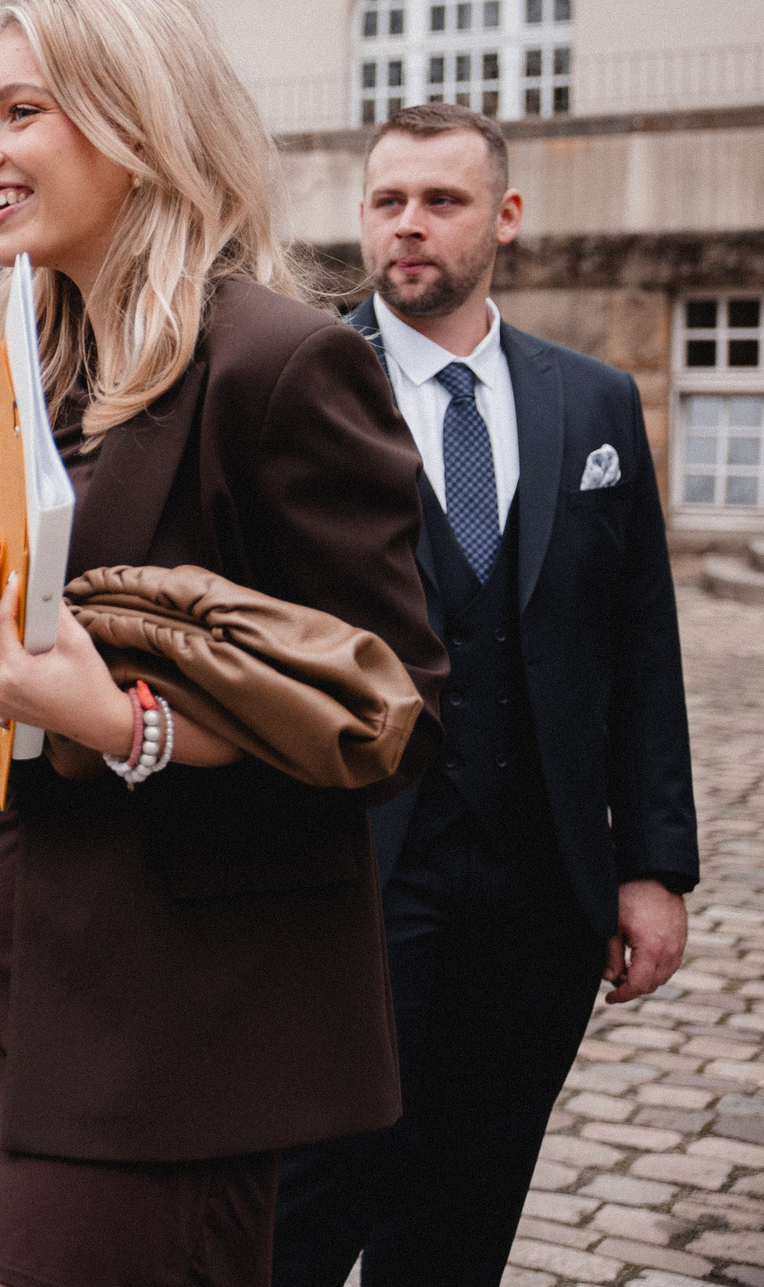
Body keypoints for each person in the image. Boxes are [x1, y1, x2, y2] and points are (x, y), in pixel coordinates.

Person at [0, 0, 448, 1287]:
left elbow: (390, 712)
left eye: (19, 112)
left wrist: (123, 725)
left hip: (164, 1011)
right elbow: (28, 613)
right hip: (5, 954)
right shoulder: (40, 352)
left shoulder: (280, 363)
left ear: (134, 126)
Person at [270, 103, 700, 1285]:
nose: (408, 225)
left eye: (441, 201)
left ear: (504, 217)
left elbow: (638, 643)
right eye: (387, 201)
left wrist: (652, 864)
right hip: (355, 869)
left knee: (467, 1209)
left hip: (539, 886)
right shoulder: (295, 383)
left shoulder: (594, 401)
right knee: (309, 1200)